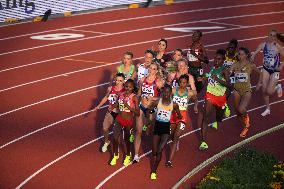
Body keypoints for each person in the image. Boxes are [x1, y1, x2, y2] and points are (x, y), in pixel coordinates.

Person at [199, 49, 232, 150]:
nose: (216, 61)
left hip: (220, 98)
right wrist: (204, 77)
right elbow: (210, 77)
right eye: (215, 59)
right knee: (206, 117)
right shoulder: (213, 68)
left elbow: (229, 85)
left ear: (223, 60)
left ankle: (224, 107)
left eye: (219, 59)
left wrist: (218, 79)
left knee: (219, 118)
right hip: (210, 95)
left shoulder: (224, 70)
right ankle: (203, 142)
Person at [148, 85, 182, 180]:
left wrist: (178, 116)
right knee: (154, 151)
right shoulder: (157, 102)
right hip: (157, 127)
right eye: (164, 92)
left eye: (168, 92)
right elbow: (149, 110)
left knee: (160, 149)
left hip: (166, 128)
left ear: (171, 93)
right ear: (162, 92)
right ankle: (155, 156)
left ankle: (154, 170)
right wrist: (149, 118)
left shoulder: (174, 104)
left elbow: (179, 114)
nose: (166, 94)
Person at [85, 73, 125, 152]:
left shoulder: (125, 91)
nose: (118, 82)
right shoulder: (111, 89)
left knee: (117, 133)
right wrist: (98, 106)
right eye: (116, 80)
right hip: (110, 112)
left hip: (120, 113)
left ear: (123, 82)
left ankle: (117, 150)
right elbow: (106, 97)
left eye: (120, 81)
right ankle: (106, 142)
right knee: (104, 128)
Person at [133, 63, 164, 163]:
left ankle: (155, 149)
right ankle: (136, 155)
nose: (151, 70)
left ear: (157, 70)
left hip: (152, 108)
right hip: (142, 107)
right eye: (150, 68)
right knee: (138, 131)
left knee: (151, 132)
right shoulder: (142, 80)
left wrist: (153, 98)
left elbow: (163, 97)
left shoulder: (159, 82)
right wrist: (136, 106)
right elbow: (138, 95)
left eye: (154, 69)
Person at [251, 30, 284, 116]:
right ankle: (268, 108)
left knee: (269, 92)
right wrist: (253, 55)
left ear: (276, 38)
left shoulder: (278, 47)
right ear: (268, 36)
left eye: (274, 36)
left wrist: (281, 65)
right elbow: (256, 51)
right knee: (264, 90)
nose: (272, 37)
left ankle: (277, 87)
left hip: (275, 71)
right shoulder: (263, 45)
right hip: (266, 69)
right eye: (270, 35)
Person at [230, 47, 262, 137]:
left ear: (247, 55)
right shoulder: (235, 64)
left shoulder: (251, 65)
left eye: (242, 54)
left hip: (246, 91)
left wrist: (259, 83)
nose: (240, 56)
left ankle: (247, 118)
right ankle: (245, 127)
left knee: (241, 109)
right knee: (237, 112)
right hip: (236, 90)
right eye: (239, 54)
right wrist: (229, 72)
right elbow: (229, 72)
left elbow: (261, 74)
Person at [166, 74, 195, 167]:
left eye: (184, 83)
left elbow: (196, 99)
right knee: (171, 135)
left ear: (187, 83)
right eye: (181, 82)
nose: (182, 84)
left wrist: (195, 106)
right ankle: (175, 140)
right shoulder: (174, 90)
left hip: (183, 116)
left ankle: (169, 161)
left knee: (176, 137)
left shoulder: (190, 93)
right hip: (172, 115)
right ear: (178, 82)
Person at [110, 79, 139, 166]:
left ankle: (128, 155)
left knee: (126, 140)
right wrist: (112, 107)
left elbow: (137, 113)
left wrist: (128, 106)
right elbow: (118, 104)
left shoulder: (134, 97)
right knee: (115, 138)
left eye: (129, 87)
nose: (127, 88)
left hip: (128, 121)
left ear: (132, 88)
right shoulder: (121, 95)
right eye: (126, 86)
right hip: (119, 119)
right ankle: (115, 155)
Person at [186, 30, 209, 113]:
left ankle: (204, 81)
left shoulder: (201, 47)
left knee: (198, 88)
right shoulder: (190, 46)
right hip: (189, 69)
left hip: (198, 70)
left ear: (199, 38)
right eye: (193, 35)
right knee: (190, 86)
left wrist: (195, 55)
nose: (194, 37)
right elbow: (188, 55)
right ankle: (193, 102)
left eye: (196, 36)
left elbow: (207, 61)